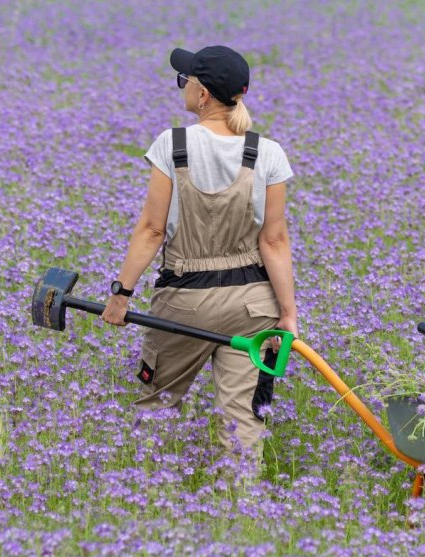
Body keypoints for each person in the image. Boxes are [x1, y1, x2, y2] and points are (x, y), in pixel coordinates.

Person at [101, 45, 297, 466]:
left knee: (156, 408)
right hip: (252, 306)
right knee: (243, 421)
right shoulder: (268, 153)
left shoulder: (172, 145)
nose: (183, 87)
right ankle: (242, 514)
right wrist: (287, 314)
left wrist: (121, 294)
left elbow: (152, 231)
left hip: (183, 303)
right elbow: (275, 241)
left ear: (202, 93)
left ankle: (144, 495)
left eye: (185, 80)